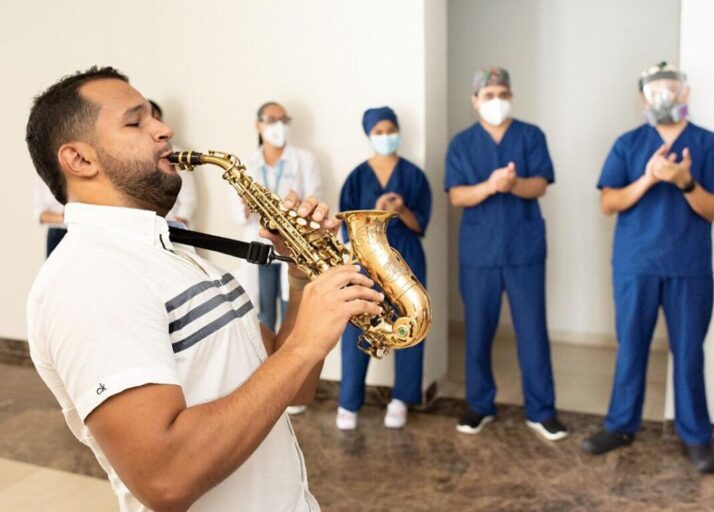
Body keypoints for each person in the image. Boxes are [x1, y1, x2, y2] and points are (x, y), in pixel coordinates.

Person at [25, 66, 383, 512]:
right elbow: (166, 479)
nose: (164, 129)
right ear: (79, 160)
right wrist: (303, 346)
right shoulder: (89, 278)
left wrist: (300, 274)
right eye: (135, 122)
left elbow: (289, 387)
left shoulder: (176, 255)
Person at [582, 62, 714, 474]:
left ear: (685, 94)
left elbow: (713, 208)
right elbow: (608, 203)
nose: (664, 97)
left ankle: (696, 437)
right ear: (643, 98)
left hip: (689, 266)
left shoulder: (712, 145)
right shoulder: (628, 144)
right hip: (636, 264)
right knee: (631, 346)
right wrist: (649, 178)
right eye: (655, 91)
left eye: (671, 89)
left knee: (687, 353)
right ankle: (620, 425)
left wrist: (684, 181)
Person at [444, 66, 567, 440]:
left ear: (510, 96)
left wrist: (513, 185)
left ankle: (541, 410)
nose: (496, 101)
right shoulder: (461, 144)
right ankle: (479, 406)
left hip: (523, 249)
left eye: (502, 94)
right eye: (488, 95)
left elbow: (540, 186)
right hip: (479, 252)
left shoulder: (531, 136)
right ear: (475, 100)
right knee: (478, 331)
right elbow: (456, 195)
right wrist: (491, 185)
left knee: (532, 331)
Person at [335, 106, 432, 430]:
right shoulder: (357, 177)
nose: (385, 136)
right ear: (369, 135)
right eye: (378, 131)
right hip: (365, 264)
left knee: (410, 324)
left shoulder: (414, 175)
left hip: (407, 261)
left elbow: (420, 224)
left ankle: (402, 398)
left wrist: (401, 210)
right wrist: (376, 212)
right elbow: (347, 228)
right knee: (359, 325)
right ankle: (349, 402)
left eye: (390, 129)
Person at [230, 102, 323, 338]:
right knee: (263, 316)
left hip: (292, 246)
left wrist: (300, 203)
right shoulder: (245, 165)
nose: (278, 126)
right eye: (271, 120)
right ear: (258, 125)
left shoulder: (305, 159)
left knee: (292, 311)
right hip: (258, 244)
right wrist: (245, 205)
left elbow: (317, 201)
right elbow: (236, 215)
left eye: (283, 120)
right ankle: (268, 368)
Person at [148, 99, 197, 227]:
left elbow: (188, 196)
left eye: (159, 120)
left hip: (174, 225)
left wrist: (179, 224)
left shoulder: (175, 153)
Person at [33, 174, 66, 256]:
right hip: (56, 235)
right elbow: (39, 212)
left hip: (82, 232)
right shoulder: (43, 171)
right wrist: (64, 217)